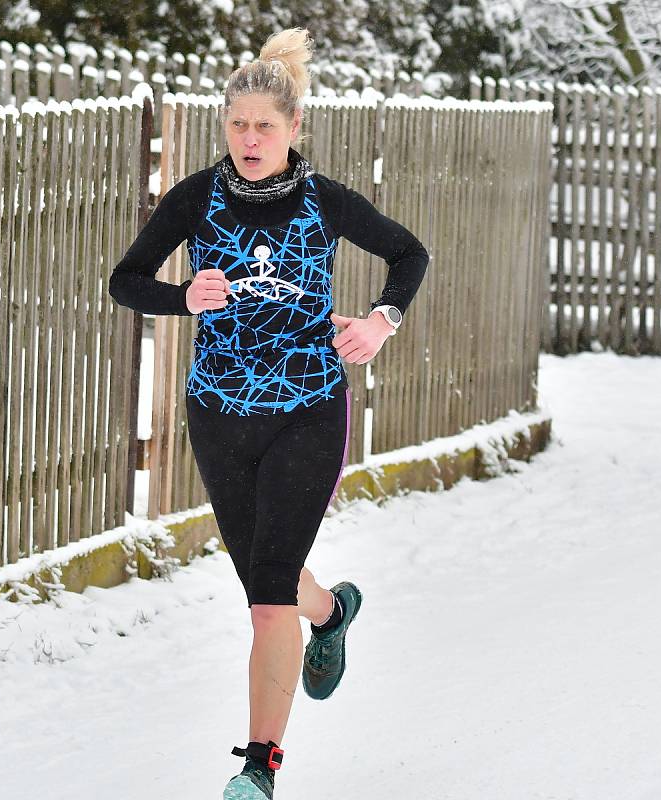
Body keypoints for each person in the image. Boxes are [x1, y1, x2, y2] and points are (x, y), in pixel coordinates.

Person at [109, 26, 430, 800]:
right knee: (268, 578)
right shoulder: (197, 198)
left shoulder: (324, 201)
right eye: (238, 124)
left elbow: (409, 255)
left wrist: (381, 321)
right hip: (218, 412)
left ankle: (259, 766)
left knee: (263, 605)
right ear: (226, 127)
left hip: (309, 408)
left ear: (293, 130)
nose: (250, 139)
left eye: (266, 126)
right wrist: (181, 296)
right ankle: (332, 613)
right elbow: (125, 281)